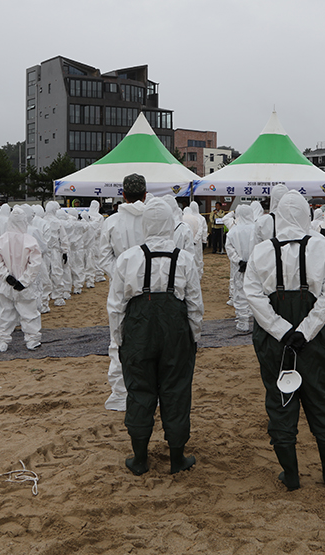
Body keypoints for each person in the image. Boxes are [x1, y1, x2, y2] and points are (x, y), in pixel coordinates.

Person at [244, 191, 325, 491]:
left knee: (280, 400)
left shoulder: (261, 252)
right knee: (322, 399)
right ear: (305, 214)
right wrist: (307, 329)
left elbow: (253, 295)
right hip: (315, 335)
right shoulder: (322, 246)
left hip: (276, 338)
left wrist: (281, 329)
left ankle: (292, 475)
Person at [108, 198, 204, 475]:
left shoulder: (127, 257)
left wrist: (120, 339)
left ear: (145, 224)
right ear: (170, 224)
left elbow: (116, 306)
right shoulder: (184, 258)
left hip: (138, 331)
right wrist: (193, 337)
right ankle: (177, 458)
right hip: (176, 332)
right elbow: (195, 306)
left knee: (139, 390)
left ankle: (140, 459)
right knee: (176, 391)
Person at [99, 174, 148, 411]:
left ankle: (120, 394)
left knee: (117, 337)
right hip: (152, 286)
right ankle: (147, 389)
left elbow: (102, 257)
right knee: (150, 336)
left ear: (123, 195)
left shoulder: (111, 222)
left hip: (119, 288)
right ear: (146, 194)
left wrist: (120, 274)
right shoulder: (154, 219)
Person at [0, 207, 44, 352]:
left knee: (3, 313)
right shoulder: (30, 240)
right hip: (24, 286)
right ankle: (32, 340)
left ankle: (1, 341)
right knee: (29, 312)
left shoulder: (2, 240)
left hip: (7, 284)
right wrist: (24, 281)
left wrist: (6, 276)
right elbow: (35, 264)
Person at [225, 203, 257, 331]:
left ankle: (242, 322)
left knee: (240, 291)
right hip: (255, 267)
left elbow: (229, 248)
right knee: (256, 291)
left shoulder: (233, 230)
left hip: (240, 267)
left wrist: (239, 261)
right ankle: (256, 317)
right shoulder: (257, 229)